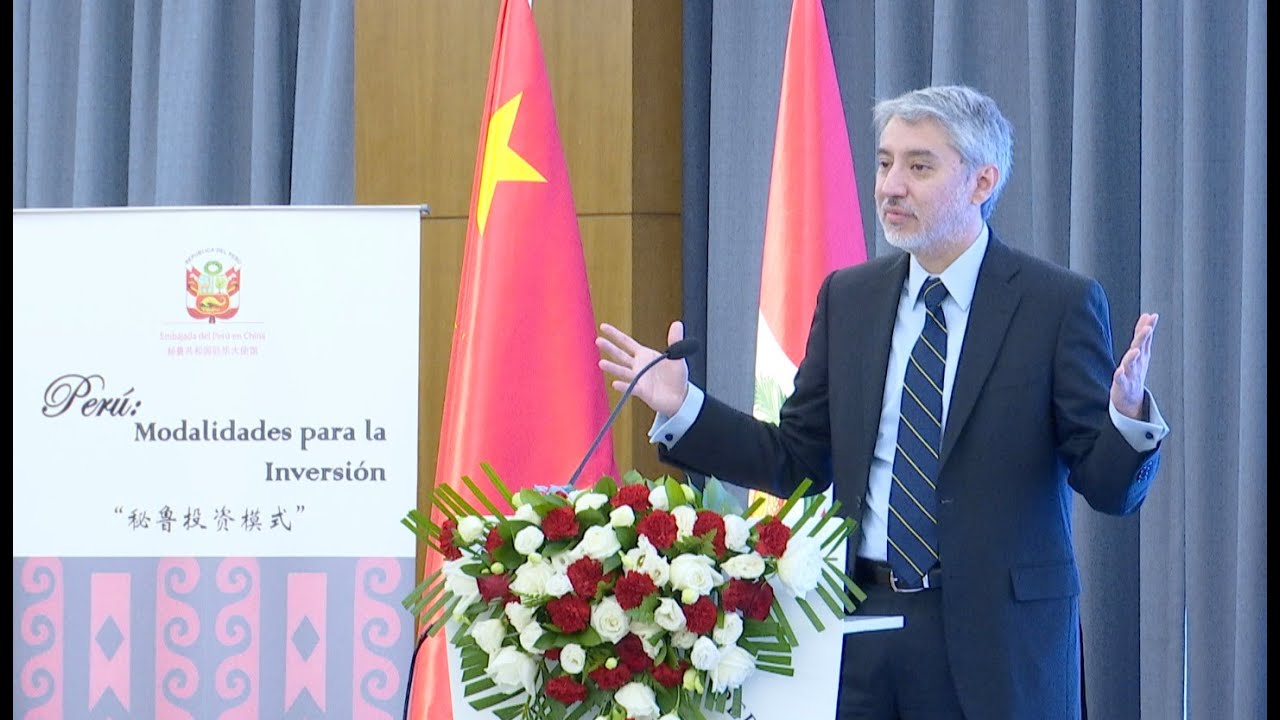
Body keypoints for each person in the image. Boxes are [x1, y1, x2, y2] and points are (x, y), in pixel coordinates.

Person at [596, 84, 1168, 720]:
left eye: (919, 166)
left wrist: (1128, 417)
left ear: (983, 182)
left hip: (999, 643)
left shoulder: (1055, 304)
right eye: (885, 162)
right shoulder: (850, 298)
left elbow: (1113, 489)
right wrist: (685, 409)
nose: (891, 185)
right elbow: (798, 459)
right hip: (859, 626)